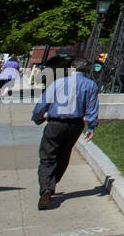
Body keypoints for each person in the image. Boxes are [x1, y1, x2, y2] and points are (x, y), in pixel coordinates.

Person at [30, 55, 99, 210]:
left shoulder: (58, 83)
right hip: (75, 125)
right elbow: (92, 108)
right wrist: (91, 127)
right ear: (86, 70)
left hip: (55, 123)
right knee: (64, 154)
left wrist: (37, 117)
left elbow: (43, 102)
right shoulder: (90, 85)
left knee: (47, 156)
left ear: (71, 69)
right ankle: (53, 182)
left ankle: (47, 187)